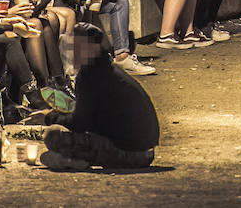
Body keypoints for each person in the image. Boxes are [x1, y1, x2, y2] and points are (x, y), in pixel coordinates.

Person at [41, 23, 158, 170]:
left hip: (131, 155)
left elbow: (80, 124)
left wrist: (49, 117)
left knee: (52, 137)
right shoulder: (106, 68)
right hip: (144, 152)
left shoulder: (90, 74)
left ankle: (76, 160)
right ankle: (76, 159)